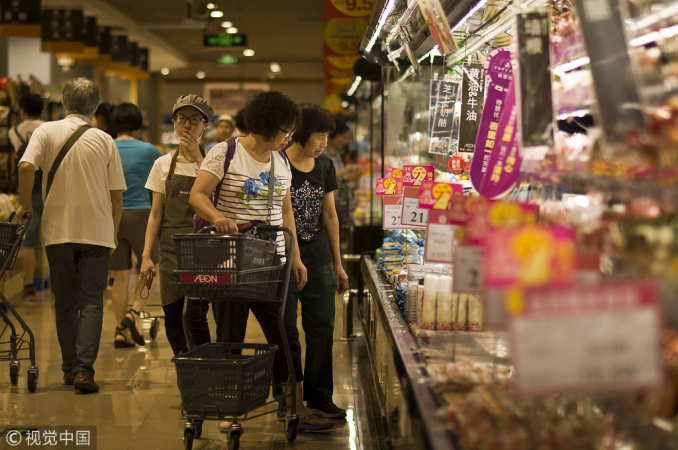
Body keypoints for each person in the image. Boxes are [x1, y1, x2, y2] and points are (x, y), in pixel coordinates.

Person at [190, 91, 333, 433]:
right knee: (230, 337)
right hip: (232, 263)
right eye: (286, 131)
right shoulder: (225, 153)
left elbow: (286, 212)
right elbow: (197, 194)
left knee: (285, 335)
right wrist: (217, 217)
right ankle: (228, 410)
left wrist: (294, 255)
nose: (289, 137)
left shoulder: (280, 160)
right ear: (268, 126)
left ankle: (293, 406)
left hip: (274, 264)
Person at [17, 77, 126, 393]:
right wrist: (114, 231)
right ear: (95, 107)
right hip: (97, 232)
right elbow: (116, 194)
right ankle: (83, 372)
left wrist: (27, 205)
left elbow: (26, 166)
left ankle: (68, 369)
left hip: (58, 231)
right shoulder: (105, 139)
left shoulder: (45, 131)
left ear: (64, 103)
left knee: (65, 301)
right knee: (92, 302)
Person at [282, 104, 350, 419]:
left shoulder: (324, 166)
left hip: (319, 258)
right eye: (320, 136)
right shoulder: (277, 162)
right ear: (302, 133)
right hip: (282, 261)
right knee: (284, 329)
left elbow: (330, 215)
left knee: (322, 328)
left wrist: (338, 264)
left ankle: (319, 396)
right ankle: (286, 395)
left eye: (327, 137)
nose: (324, 143)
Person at [139, 95, 213, 356]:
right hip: (170, 250)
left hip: (203, 249)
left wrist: (197, 158)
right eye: (181, 118)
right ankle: (186, 369)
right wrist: (147, 255)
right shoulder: (162, 164)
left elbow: (216, 204)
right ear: (173, 122)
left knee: (195, 317)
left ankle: (206, 370)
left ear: (205, 125)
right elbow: (156, 214)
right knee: (172, 319)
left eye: (195, 119)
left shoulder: (212, 163)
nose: (187, 125)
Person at [109, 103, 162, 349]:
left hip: (112, 217)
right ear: (139, 125)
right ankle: (134, 314)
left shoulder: (106, 147)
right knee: (150, 269)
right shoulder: (151, 151)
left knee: (119, 278)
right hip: (142, 215)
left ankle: (121, 333)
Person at [9, 94, 45, 299]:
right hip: (48, 188)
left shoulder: (14, 132)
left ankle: (29, 285)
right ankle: (57, 283)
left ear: (22, 111)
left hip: (26, 190)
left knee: (29, 240)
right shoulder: (48, 127)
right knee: (52, 237)